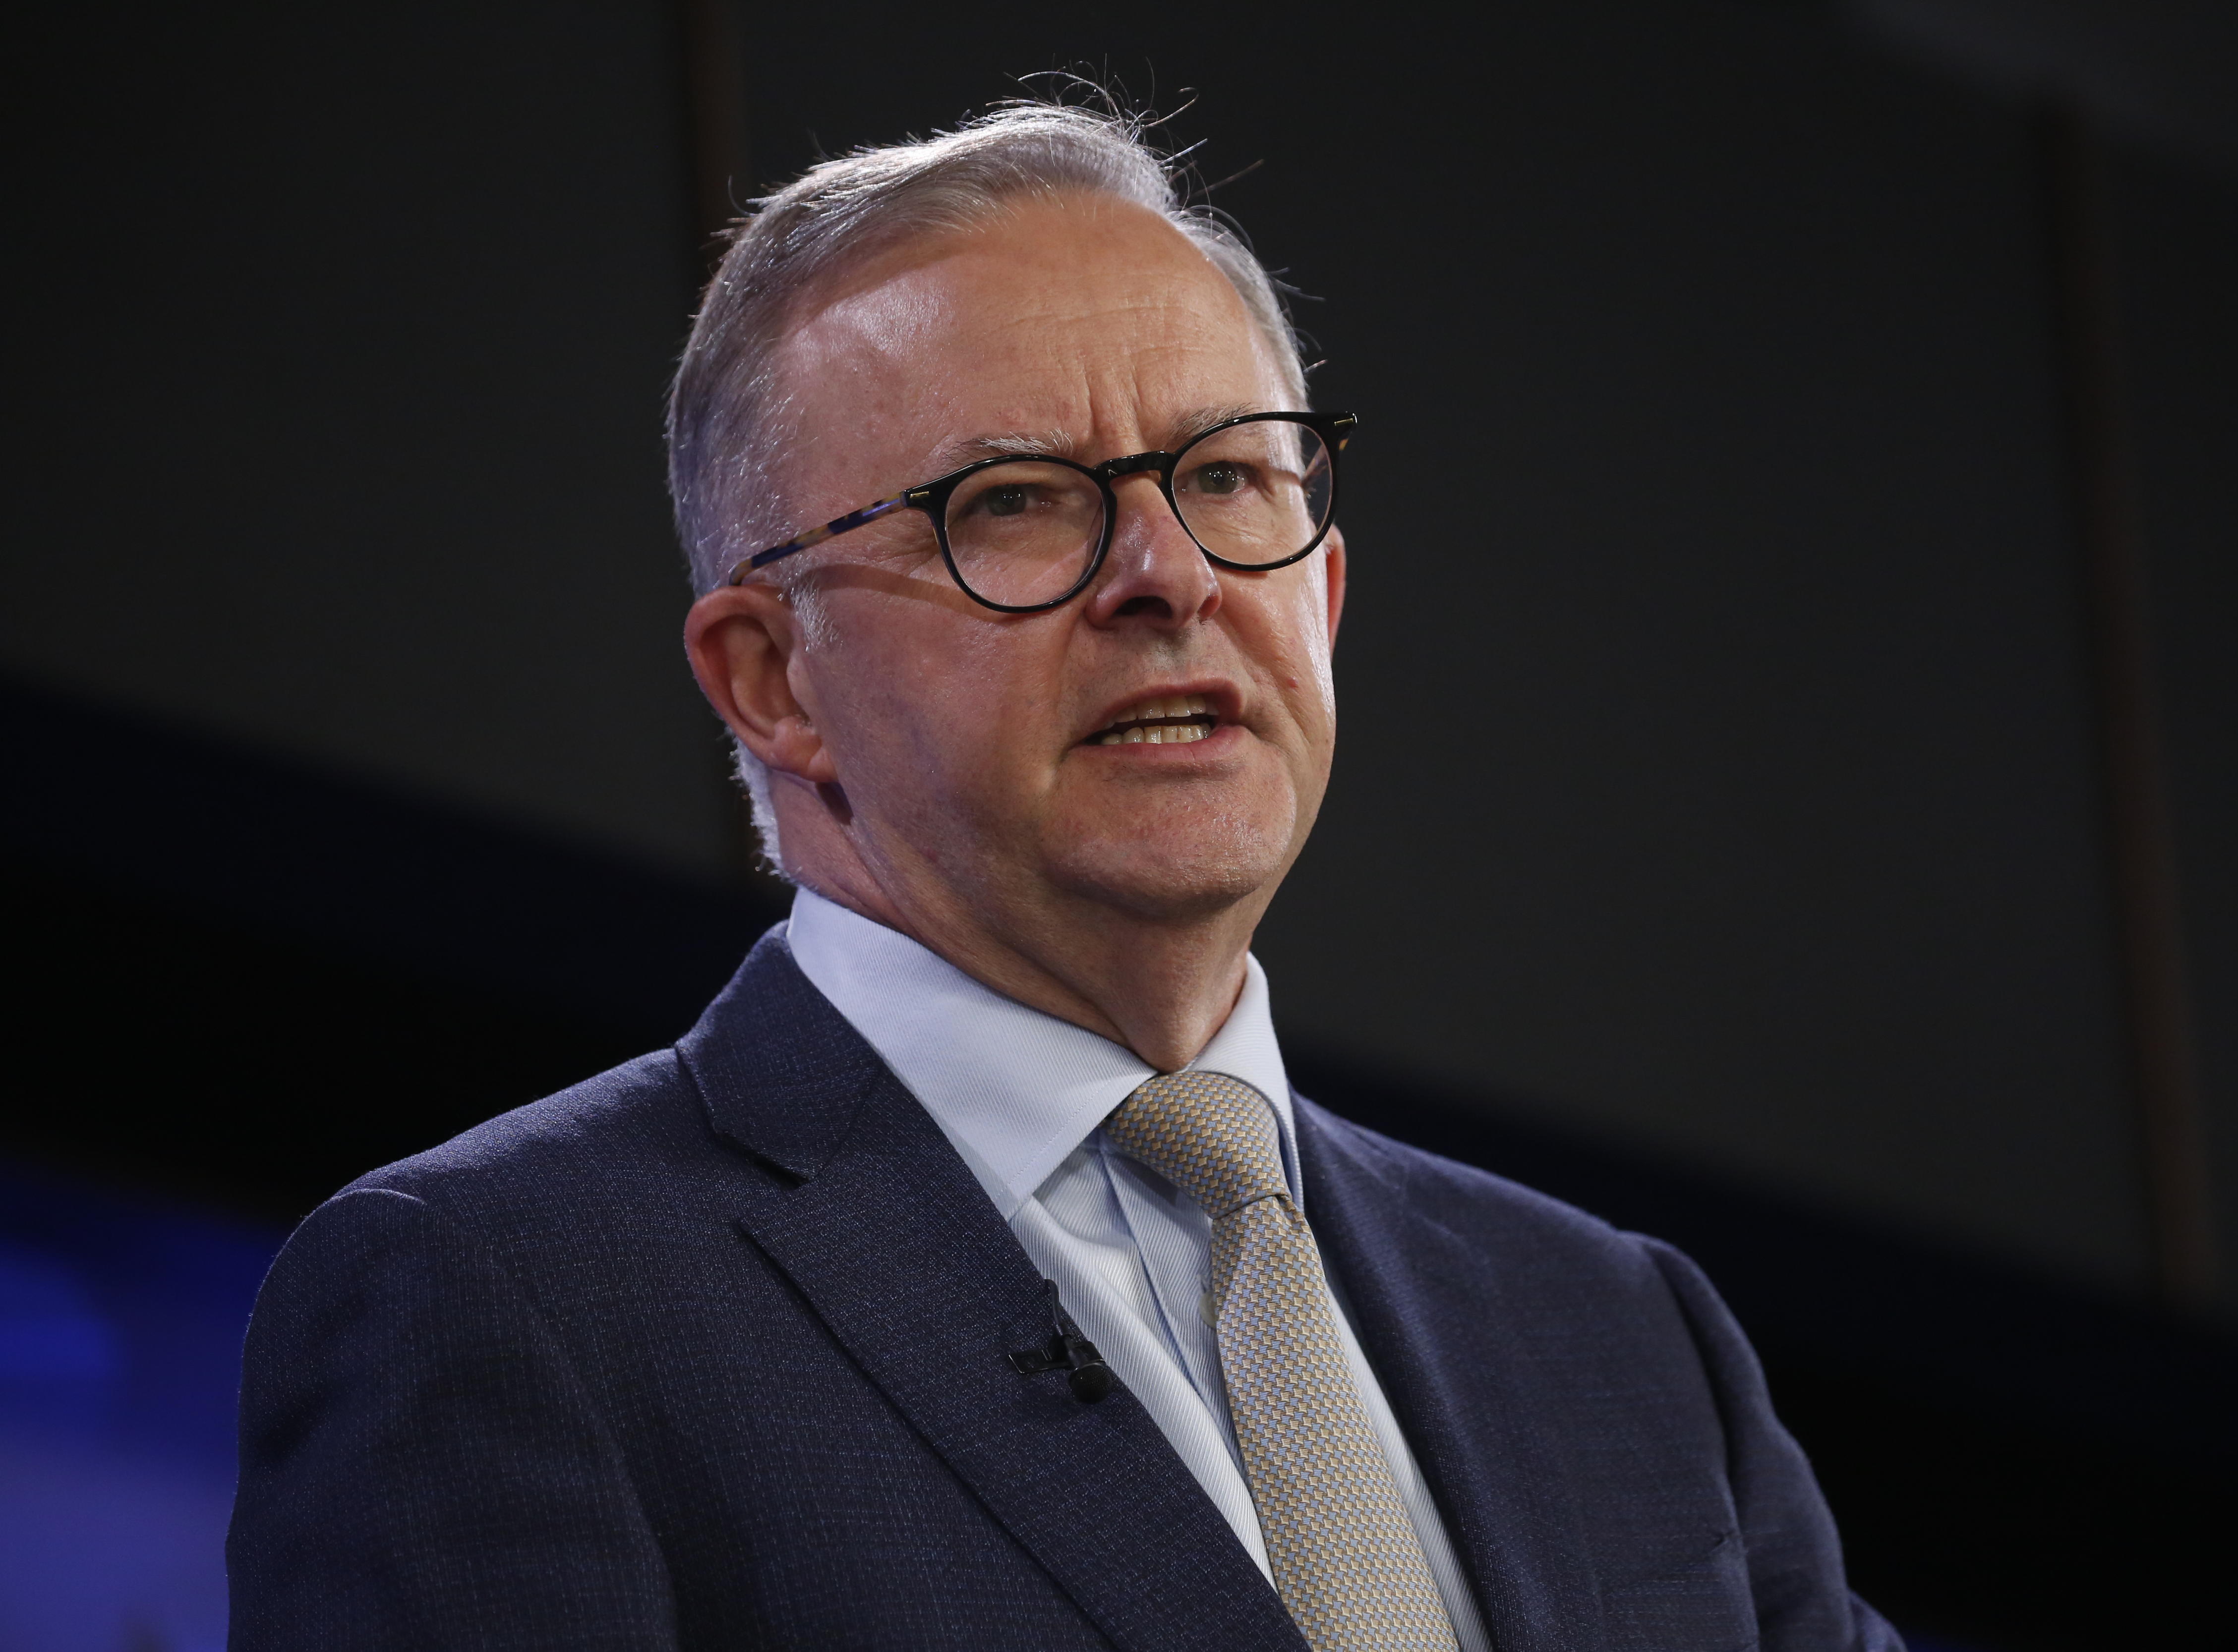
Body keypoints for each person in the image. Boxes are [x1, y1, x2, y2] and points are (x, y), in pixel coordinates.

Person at [227, 102, 1903, 1652]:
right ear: (773, 679)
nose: (1168, 576)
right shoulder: (504, 1300)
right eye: (1016, 504)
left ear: (1322, 594)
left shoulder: (1617, 1337)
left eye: (1231, 475)